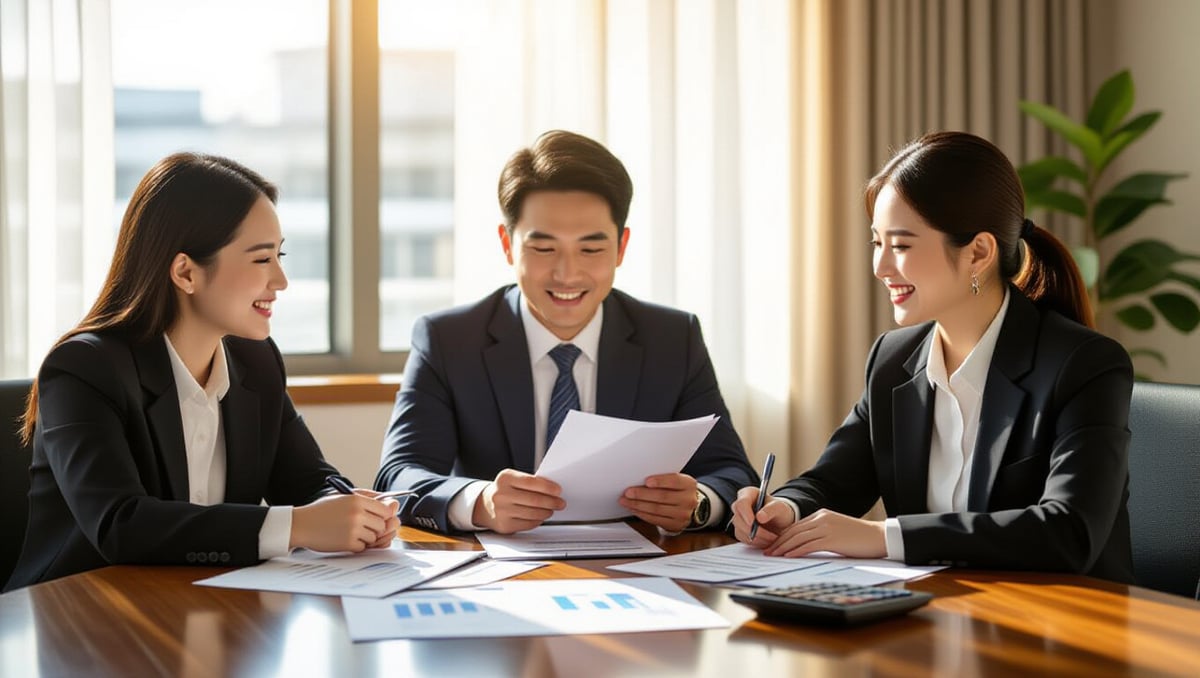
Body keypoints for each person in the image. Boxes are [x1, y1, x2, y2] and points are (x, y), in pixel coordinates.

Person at [731, 131, 1134, 582]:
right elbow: (833, 481)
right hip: (940, 615)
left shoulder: (1083, 364)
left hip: (1061, 629)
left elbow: (1069, 531)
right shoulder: (893, 359)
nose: (881, 268)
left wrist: (885, 537)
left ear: (978, 252)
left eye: (900, 246)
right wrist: (785, 507)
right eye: (876, 244)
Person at [5, 153, 398, 590]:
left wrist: (347, 508)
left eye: (279, 255)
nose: (281, 280)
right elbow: (120, 524)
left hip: (206, 609)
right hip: (79, 616)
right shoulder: (84, 369)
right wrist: (298, 527)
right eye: (262, 259)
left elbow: (306, 479)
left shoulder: (257, 360)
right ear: (186, 272)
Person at [375, 130, 758, 535]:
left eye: (591, 249)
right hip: (494, 573)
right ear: (507, 244)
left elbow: (732, 471)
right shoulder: (449, 340)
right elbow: (397, 477)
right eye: (543, 248)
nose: (567, 274)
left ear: (621, 248)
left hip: (637, 569)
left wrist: (698, 502)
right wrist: (479, 502)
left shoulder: (672, 338)